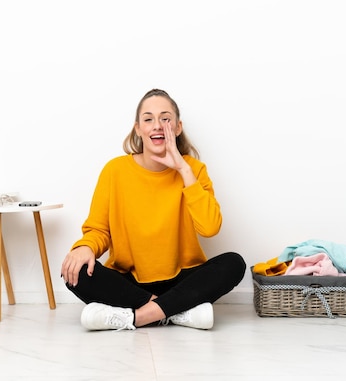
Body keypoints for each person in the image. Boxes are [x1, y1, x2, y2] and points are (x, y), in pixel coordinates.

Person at [61, 89, 246, 331]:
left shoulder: (193, 169)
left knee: (234, 263)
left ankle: (136, 317)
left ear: (178, 127)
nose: (157, 125)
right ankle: (175, 312)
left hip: (181, 279)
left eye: (165, 118)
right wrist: (85, 247)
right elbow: (99, 230)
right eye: (148, 119)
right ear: (138, 129)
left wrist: (182, 168)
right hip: (130, 281)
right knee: (76, 272)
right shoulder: (115, 171)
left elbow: (210, 227)